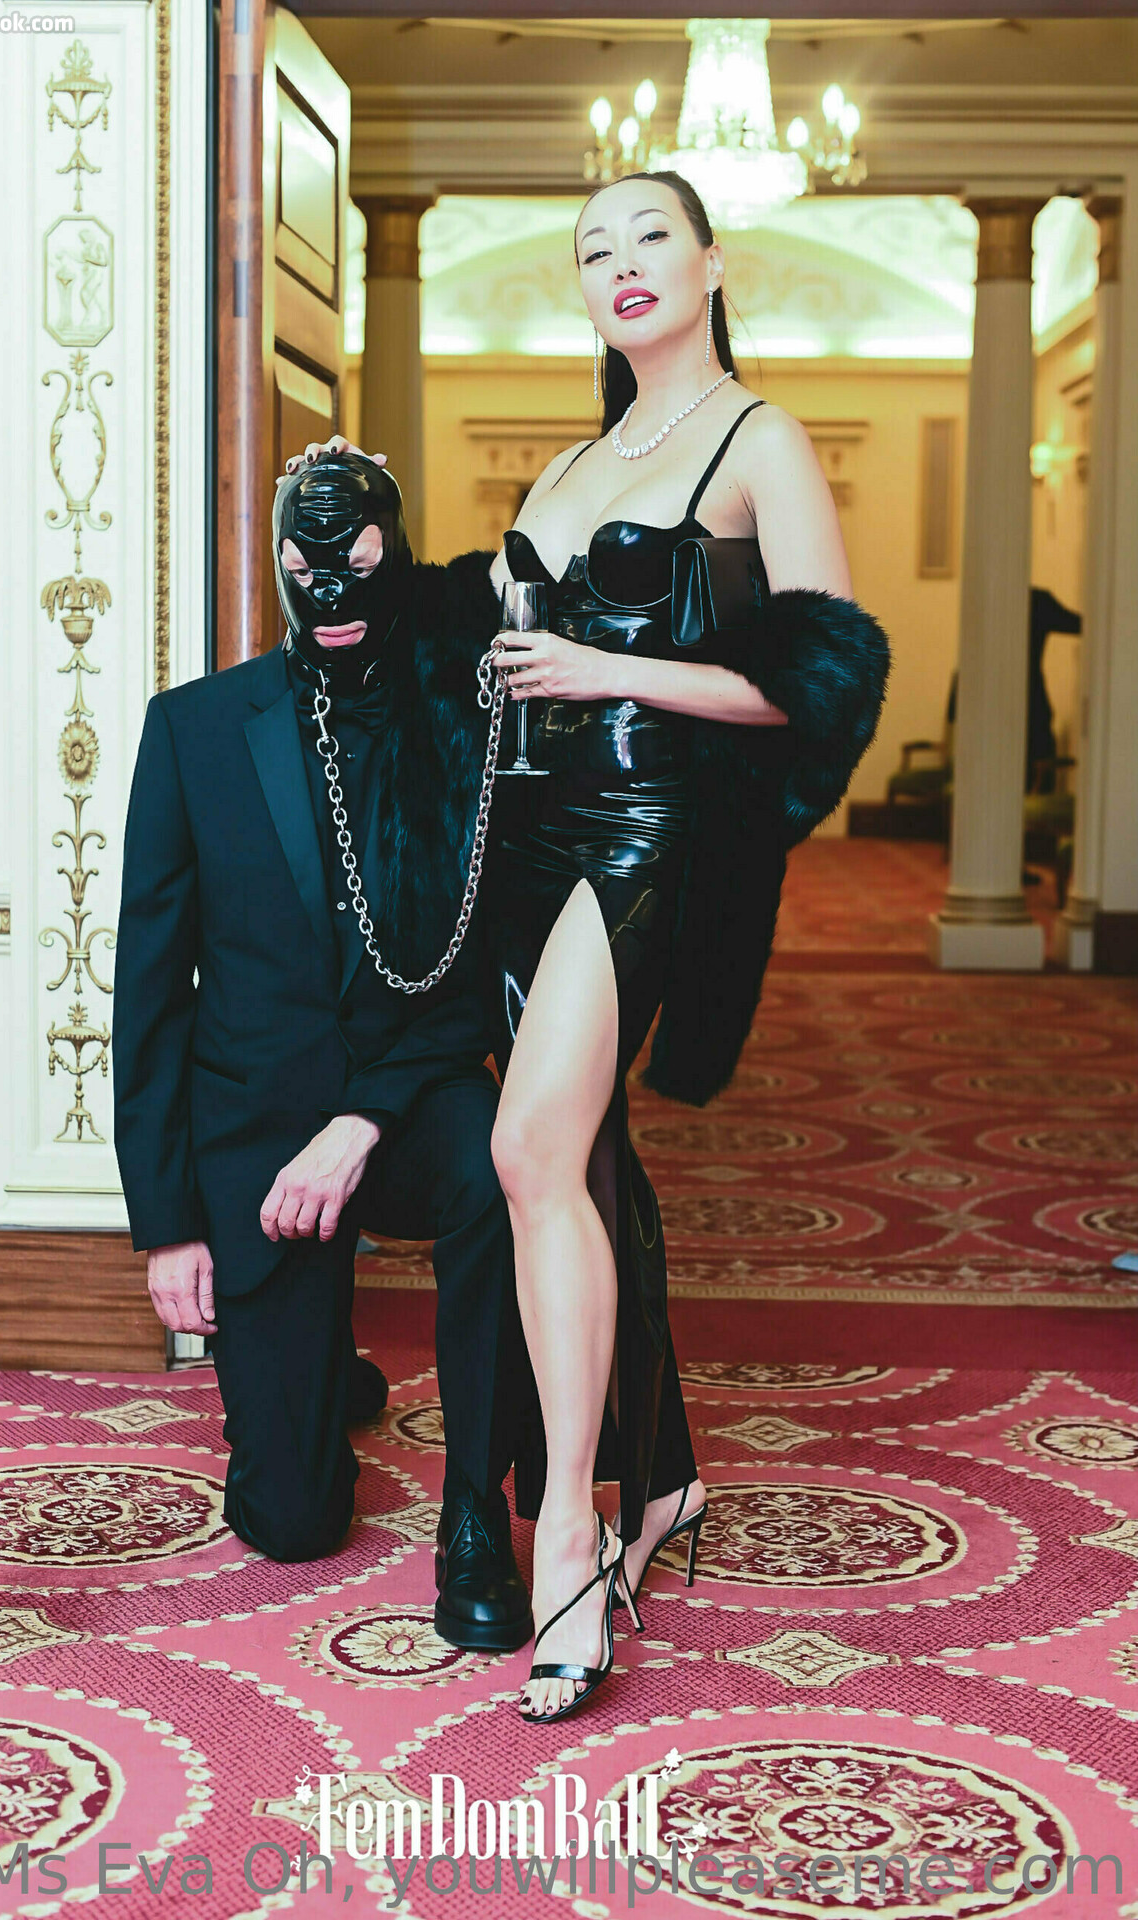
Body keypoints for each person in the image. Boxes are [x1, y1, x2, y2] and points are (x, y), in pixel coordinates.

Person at [284, 171, 890, 1725]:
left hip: (649, 835)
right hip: (523, 836)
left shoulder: (756, 440)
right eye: (591, 249)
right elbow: (484, 647)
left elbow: (818, 689)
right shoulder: (566, 460)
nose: (619, 266)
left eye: (648, 238)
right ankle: (662, 1475)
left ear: (709, 262)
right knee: (589, 1159)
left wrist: (608, 668)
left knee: (529, 1150)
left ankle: (569, 1525)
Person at [112, 452, 535, 1654]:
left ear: (397, 551)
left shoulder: (457, 716)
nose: (332, 590)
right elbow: (151, 991)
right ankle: (314, 1374)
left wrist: (361, 1122)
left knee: (502, 1171)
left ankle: (475, 1513)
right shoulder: (194, 729)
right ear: (278, 565)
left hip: (403, 1101)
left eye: (357, 561)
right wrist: (169, 1225)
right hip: (258, 1130)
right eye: (307, 566)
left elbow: (473, 969)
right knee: (289, 1522)